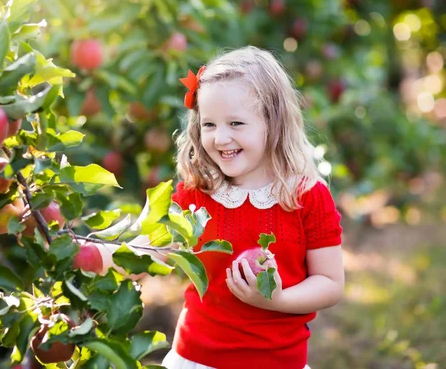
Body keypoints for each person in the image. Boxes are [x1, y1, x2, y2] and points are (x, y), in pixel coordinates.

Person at [96, 46, 344, 369]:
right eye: (209, 125)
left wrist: (276, 299)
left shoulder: (305, 196)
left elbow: (330, 283)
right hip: (197, 359)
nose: (221, 138)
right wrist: (91, 256)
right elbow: (149, 252)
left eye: (236, 123)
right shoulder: (196, 193)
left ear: (273, 121)